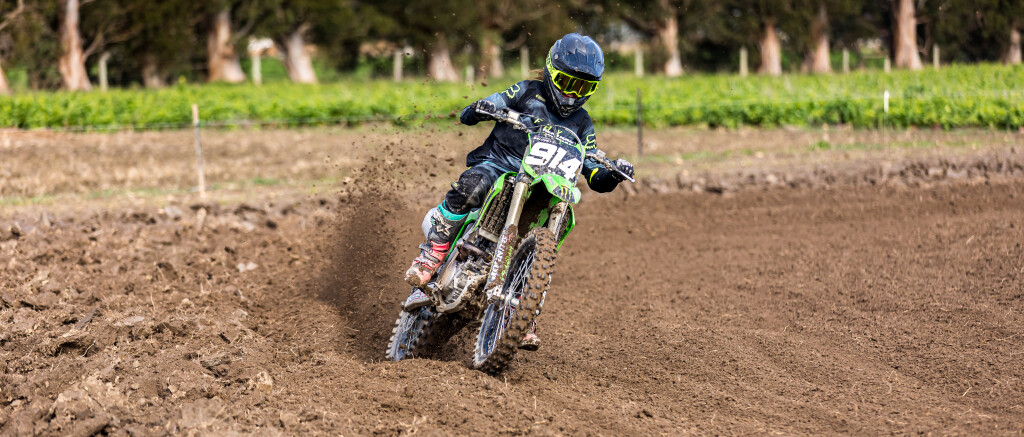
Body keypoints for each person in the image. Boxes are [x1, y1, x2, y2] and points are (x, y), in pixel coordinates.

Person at [403, 33, 634, 350]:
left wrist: (613, 173)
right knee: (473, 184)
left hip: (545, 185)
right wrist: (484, 108)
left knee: (554, 225)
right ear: (551, 71)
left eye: (582, 88)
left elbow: (594, 172)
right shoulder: (526, 91)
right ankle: (434, 252)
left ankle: (522, 309)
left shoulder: (582, 123)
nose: (571, 94)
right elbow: (490, 104)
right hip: (501, 165)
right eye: (567, 83)